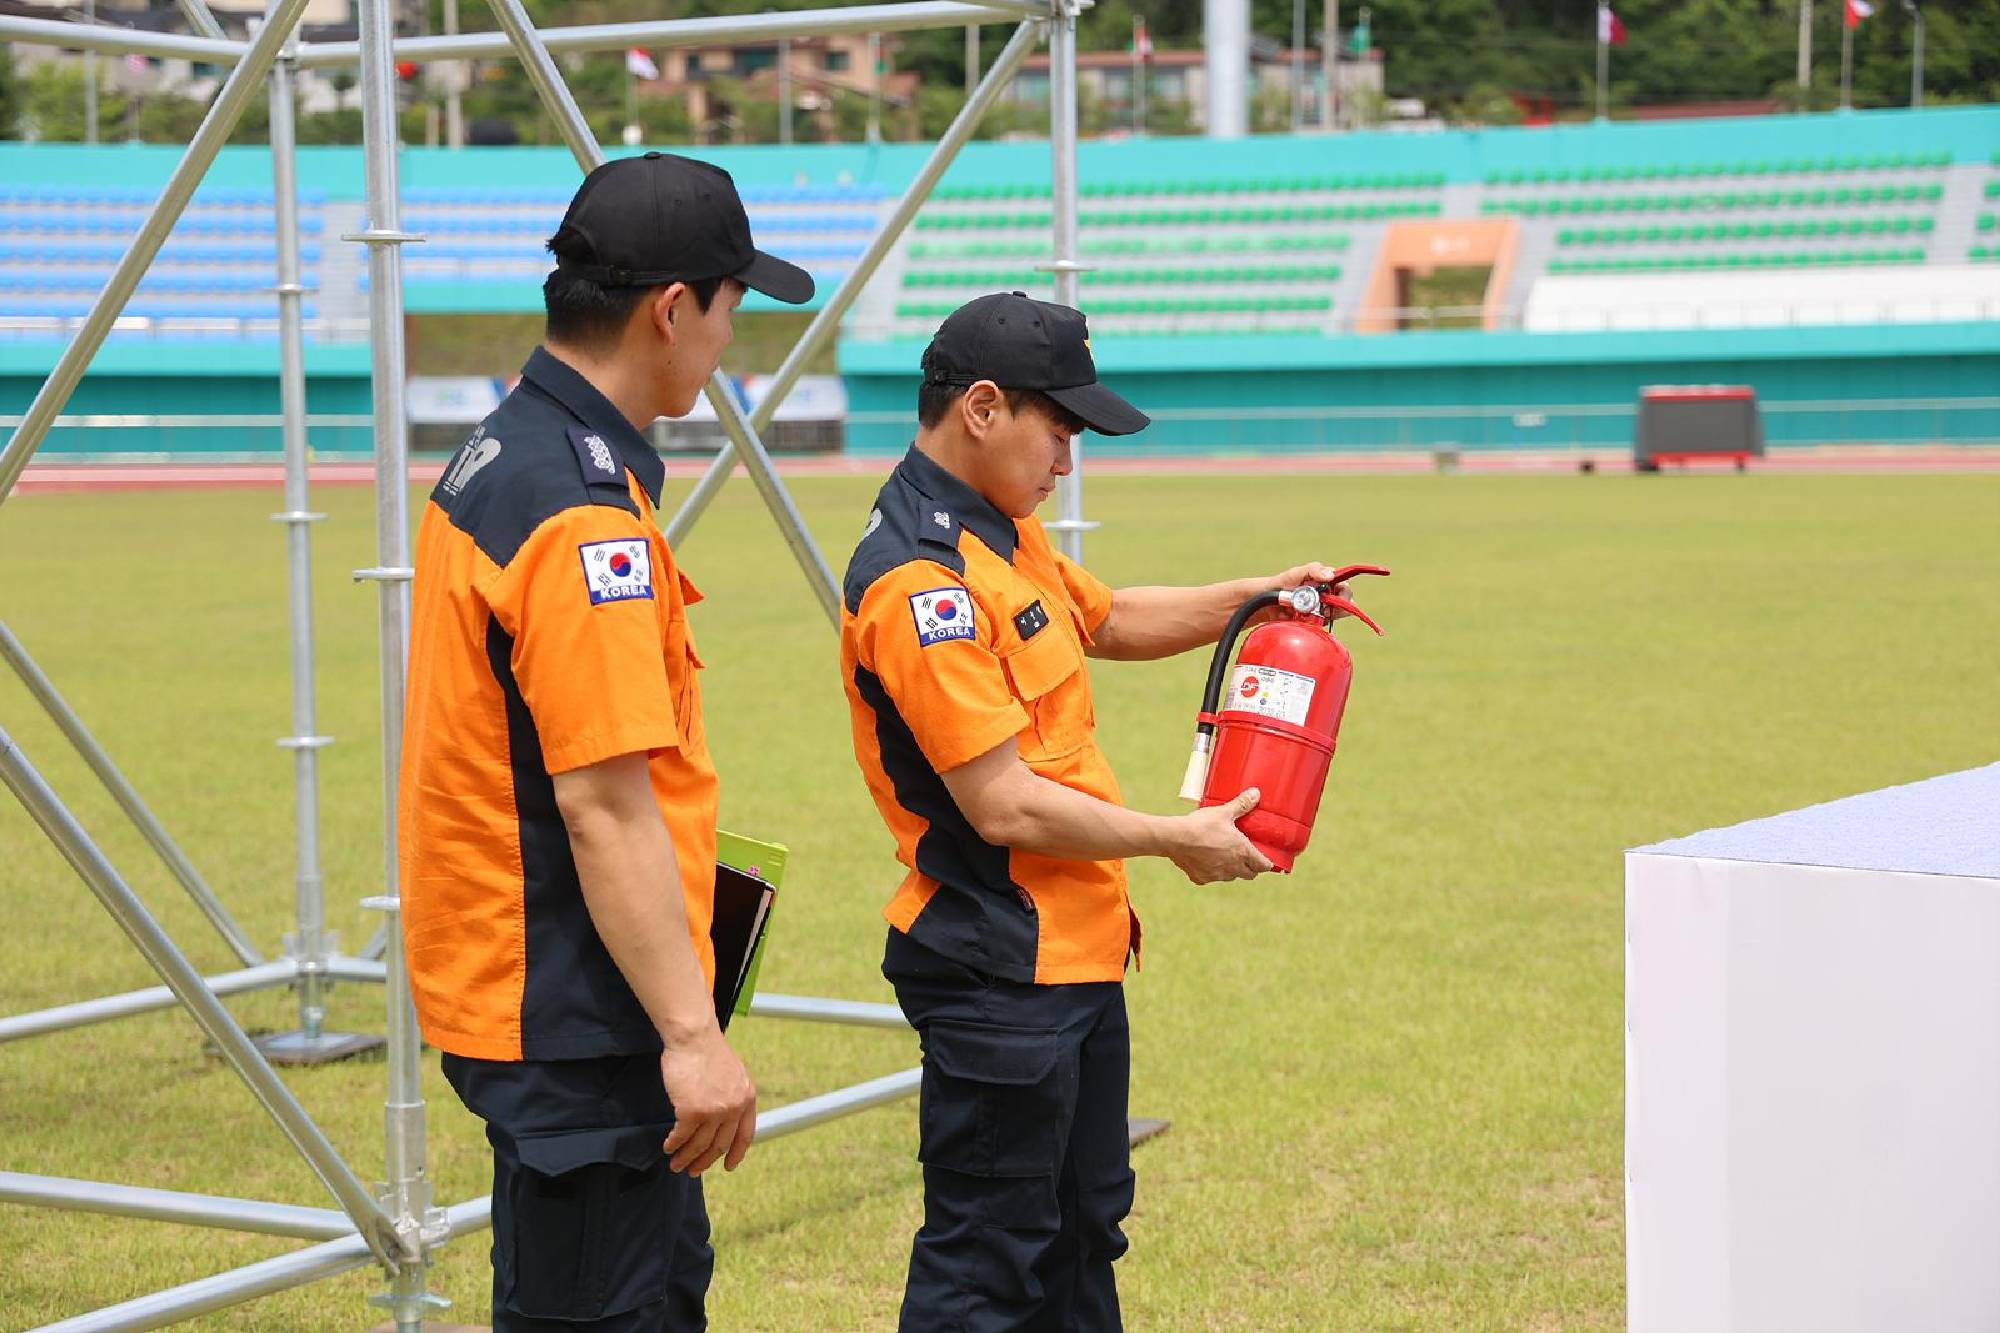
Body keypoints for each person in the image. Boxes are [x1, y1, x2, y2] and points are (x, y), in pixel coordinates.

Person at [838, 291, 1352, 1330]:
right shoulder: (921, 581)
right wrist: (1174, 839)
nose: (1066, 461)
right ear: (982, 408)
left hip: (1071, 952)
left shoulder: (1000, 533)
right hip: (996, 969)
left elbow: (1106, 617)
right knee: (986, 1263)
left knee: (1081, 1229)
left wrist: (1257, 597)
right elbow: (1003, 805)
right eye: (1059, 430)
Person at [397, 151, 813, 1332]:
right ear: (671, 308)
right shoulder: (579, 513)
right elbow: (604, 802)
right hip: (574, 1002)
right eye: (730, 307)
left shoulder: (514, 448)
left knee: (640, 1287)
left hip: (549, 980)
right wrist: (691, 1035)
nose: (729, 339)